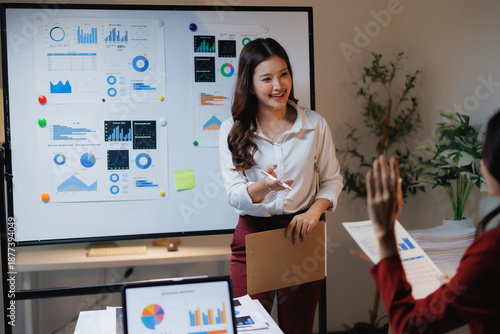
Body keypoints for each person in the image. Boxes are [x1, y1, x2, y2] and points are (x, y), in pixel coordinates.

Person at [218, 38, 343, 334]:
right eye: (267, 78)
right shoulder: (232, 130)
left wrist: (314, 212)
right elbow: (235, 195)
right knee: (247, 328)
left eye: (284, 74)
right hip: (253, 236)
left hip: (303, 234)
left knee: (297, 329)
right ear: (249, 84)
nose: (279, 85)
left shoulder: (314, 124)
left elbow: (332, 180)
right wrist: (263, 186)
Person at [366, 110, 500, 333]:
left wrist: (385, 233)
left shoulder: (492, 249)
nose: (480, 160)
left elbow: (409, 326)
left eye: (486, 150)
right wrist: (464, 283)